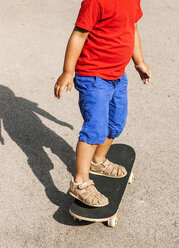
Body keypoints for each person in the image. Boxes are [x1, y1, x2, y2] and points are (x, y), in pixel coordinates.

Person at [54, 0, 151, 207]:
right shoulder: (95, 2)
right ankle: (80, 182)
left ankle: (97, 161)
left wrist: (139, 61)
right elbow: (79, 35)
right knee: (95, 129)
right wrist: (68, 72)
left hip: (118, 76)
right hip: (94, 76)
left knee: (116, 124)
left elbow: (132, 27)